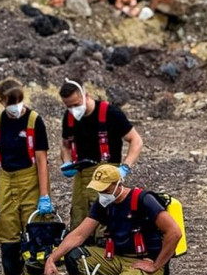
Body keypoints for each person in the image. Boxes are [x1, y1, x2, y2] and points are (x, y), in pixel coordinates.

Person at [43, 164, 180, 275]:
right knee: (74, 257)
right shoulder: (104, 203)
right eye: (99, 189)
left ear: (118, 184)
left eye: (105, 189)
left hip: (143, 262)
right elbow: (79, 234)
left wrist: (156, 265)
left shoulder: (143, 200)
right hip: (116, 258)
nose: (102, 193)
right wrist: (52, 258)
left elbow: (174, 232)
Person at [0, 78, 53, 275]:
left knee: (36, 245)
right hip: (6, 182)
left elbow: (42, 161)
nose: (16, 106)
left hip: (30, 182)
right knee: (9, 245)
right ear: (1, 101)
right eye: (10, 102)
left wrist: (44, 195)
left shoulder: (34, 121)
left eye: (19, 101)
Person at [58, 78, 144, 235]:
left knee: (104, 224)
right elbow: (65, 144)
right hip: (81, 176)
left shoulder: (111, 114)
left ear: (86, 95)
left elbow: (136, 140)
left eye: (76, 104)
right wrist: (67, 162)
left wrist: (125, 167)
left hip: (106, 175)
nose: (73, 109)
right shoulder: (69, 117)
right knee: (79, 221)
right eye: (68, 106)